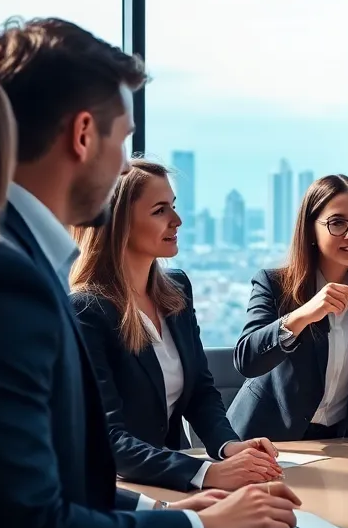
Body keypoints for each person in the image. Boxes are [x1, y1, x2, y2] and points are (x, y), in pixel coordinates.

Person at [0, 19, 309, 528]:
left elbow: (33, 489)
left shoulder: (6, 257)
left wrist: (173, 513)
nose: (124, 164)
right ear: (84, 133)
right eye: (123, 140)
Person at [71, 158, 284, 491]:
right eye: (160, 211)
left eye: (173, 206)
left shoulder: (177, 289)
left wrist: (229, 447)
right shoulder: (86, 310)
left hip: (178, 478)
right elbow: (108, 439)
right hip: (121, 489)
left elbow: (200, 390)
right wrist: (206, 474)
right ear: (119, 223)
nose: (177, 220)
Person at [229, 173, 348, 445]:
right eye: (338, 223)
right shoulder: (274, 284)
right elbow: (247, 359)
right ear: (310, 229)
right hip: (262, 441)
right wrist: (303, 315)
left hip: (335, 442)